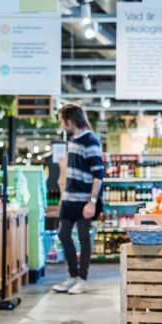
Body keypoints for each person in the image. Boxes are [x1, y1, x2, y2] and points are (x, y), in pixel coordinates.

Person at [52, 103, 104, 294]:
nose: (62, 124)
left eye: (62, 120)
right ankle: (72, 276)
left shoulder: (91, 140)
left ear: (69, 119)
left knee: (83, 237)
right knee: (63, 234)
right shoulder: (73, 140)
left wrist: (92, 201)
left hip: (84, 199)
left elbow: (99, 174)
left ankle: (82, 278)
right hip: (69, 197)